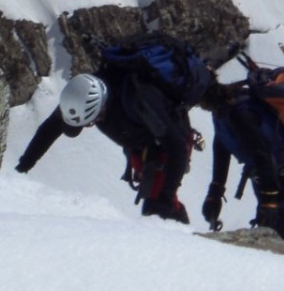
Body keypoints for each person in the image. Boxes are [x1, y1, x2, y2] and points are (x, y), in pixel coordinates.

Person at [15, 40, 209, 223]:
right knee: (155, 204)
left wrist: (166, 197)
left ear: (99, 109)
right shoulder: (83, 94)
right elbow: (51, 128)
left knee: (157, 209)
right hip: (142, 142)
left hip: (169, 141)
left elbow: (177, 149)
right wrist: (23, 167)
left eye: (92, 121)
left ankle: (188, 246)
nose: (92, 124)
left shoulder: (139, 102)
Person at [200, 77, 284, 242]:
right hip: (268, 174)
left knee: (283, 230)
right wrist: (215, 192)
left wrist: (269, 202)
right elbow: (222, 145)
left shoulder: (238, 114)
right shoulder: (223, 109)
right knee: (271, 230)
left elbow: (263, 156)